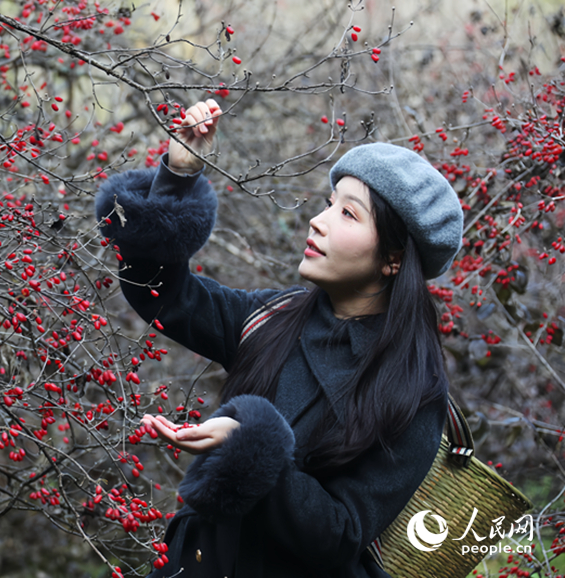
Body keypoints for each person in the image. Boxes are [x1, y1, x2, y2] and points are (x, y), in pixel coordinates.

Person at [94, 99, 463, 577]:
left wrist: (249, 446)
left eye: (348, 215)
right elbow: (164, 294)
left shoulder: (413, 391)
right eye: (329, 204)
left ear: (393, 258)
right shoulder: (273, 317)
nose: (319, 220)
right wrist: (178, 176)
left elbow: (340, 535)